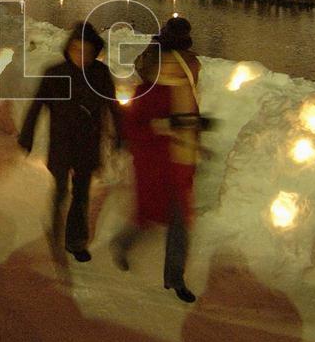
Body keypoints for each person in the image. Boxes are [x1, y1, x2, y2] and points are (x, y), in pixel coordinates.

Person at [112, 16, 202, 303]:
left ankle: (174, 278)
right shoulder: (148, 92)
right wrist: (163, 126)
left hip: (180, 162)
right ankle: (123, 244)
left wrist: (194, 135)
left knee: (179, 223)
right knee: (149, 217)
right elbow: (135, 127)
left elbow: (189, 120)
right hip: (155, 164)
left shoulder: (185, 90)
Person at [18, 22, 119, 263]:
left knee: (82, 194)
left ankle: (75, 241)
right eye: (76, 49)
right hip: (62, 142)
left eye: (86, 51)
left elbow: (113, 107)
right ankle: (54, 222)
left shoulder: (100, 74)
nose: (81, 56)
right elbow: (37, 106)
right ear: (69, 49)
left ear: (95, 52)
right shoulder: (55, 73)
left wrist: (120, 136)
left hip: (88, 142)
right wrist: (27, 135)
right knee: (61, 189)